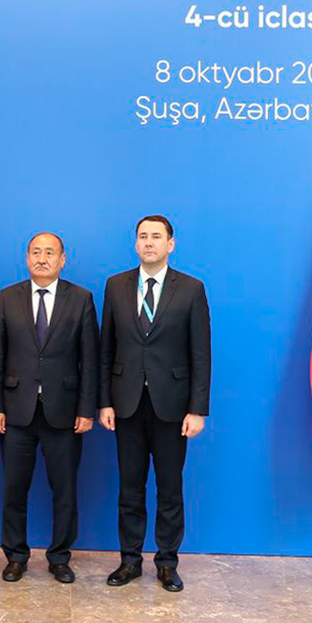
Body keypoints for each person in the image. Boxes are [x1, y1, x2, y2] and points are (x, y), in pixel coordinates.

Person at [98, 215, 211, 592]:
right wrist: (104, 402)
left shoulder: (191, 289)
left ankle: (166, 562)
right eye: (143, 237)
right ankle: (129, 561)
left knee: (169, 487)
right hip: (126, 404)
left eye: (156, 237)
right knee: (129, 488)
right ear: (135, 244)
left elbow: (201, 353)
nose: (149, 243)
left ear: (171, 244)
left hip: (172, 407)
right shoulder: (116, 286)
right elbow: (105, 349)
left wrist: (197, 409)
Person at [0, 232, 98, 584]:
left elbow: (89, 361)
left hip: (64, 413)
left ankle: (60, 557)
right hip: (16, 411)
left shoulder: (80, 299)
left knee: (64, 490)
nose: (42, 258)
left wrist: (87, 409)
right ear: (26, 257)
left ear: (63, 259)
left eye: (50, 253)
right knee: (13, 489)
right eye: (36, 252)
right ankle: (16, 556)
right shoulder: (8, 297)